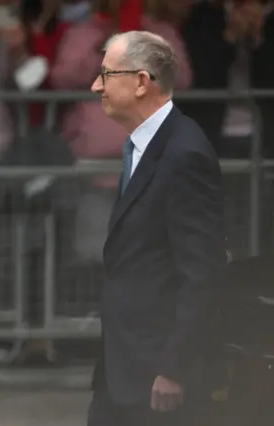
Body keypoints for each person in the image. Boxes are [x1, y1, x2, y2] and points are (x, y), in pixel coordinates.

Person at [87, 31, 226, 426]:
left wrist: (175, 368)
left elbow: (202, 271)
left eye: (107, 74)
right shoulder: (144, 145)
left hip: (157, 381)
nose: (96, 85)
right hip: (122, 369)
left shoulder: (184, 154)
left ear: (142, 81)